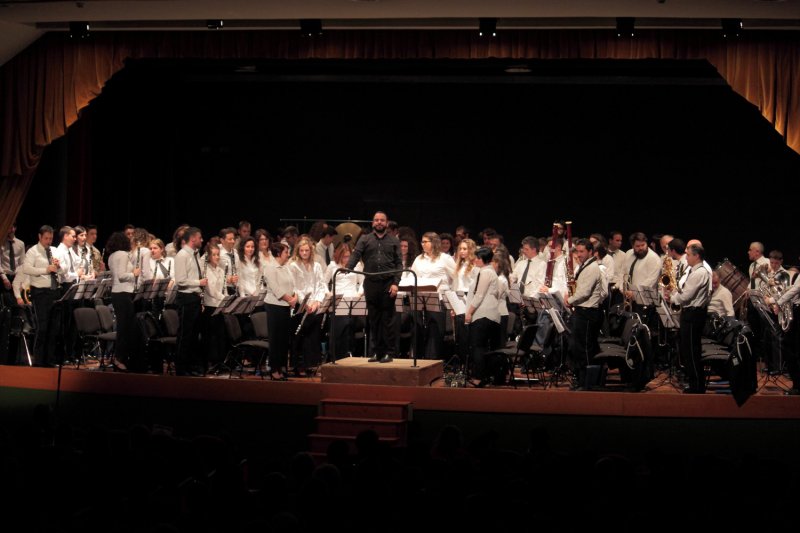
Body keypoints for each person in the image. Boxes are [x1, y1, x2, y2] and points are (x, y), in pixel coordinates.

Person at [346, 211, 402, 363]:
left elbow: (399, 264)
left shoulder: (393, 241)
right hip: (371, 283)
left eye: (382, 220)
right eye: (376, 220)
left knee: (387, 320)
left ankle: (388, 353)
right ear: (372, 223)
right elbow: (356, 255)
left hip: (388, 283)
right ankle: (377, 352)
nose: (379, 222)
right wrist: (347, 268)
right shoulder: (365, 239)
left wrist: (396, 283)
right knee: (374, 320)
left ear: (386, 223)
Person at [665, 244, 711, 394]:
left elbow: (686, 296)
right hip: (690, 313)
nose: (687, 257)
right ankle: (695, 384)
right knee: (688, 350)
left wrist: (672, 298)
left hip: (693, 314)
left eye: (689, 254)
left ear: (696, 256)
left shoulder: (700, 273)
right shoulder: (693, 271)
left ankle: (697, 386)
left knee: (691, 351)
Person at [564, 239, 604, 389]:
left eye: (582, 252)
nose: (579, 254)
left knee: (585, 349)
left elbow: (585, 291)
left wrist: (570, 300)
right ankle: (583, 380)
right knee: (579, 347)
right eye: (577, 251)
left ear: (590, 252)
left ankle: (587, 383)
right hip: (582, 311)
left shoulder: (592, 268)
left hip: (588, 313)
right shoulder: (585, 266)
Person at [21, 226, 60, 366]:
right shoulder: (33, 251)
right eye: (46, 238)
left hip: (54, 292)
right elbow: (26, 268)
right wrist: (45, 269)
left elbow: (63, 269)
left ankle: (49, 360)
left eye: (50, 238)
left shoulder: (54, 250)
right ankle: (38, 362)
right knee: (42, 328)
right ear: (39, 237)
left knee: (52, 328)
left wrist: (59, 266)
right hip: (40, 293)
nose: (48, 241)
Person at [174, 227, 207, 376]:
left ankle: (191, 366)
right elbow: (180, 281)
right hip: (186, 298)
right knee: (185, 335)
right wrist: (198, 283)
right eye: (200, 238)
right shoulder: (182, 255)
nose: (202, 240)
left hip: (194, 298)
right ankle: (181, 368)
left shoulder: (195, 254)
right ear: (193, 239)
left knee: (194, 335)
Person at [465, 246, 501, 387]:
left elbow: (479, 295)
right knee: (480, 347)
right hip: (486, 315)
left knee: (478, 347)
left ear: (484, 259)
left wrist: (469, 312)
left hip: (483, 315)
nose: (475, 260)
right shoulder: (485, 271)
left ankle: (479, 377)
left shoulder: (486, 272)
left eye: (477, 258)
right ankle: (484, 376)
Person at [106, 231, 141, 372]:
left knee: (124, 327)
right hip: (123, 293)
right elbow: (121, 276)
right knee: (125, 328)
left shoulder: (112, 256)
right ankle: (120, 358)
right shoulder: (122, 255)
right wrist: (134, 274)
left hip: (117, 294)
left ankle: (121, 358)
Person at [264, 242, 296, 380]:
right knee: (275, 339)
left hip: (285, 307)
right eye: (286, 252)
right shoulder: (270, 268)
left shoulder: (286, 267)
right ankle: (274, 368)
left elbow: (292, 285)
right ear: (278, 253)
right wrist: (290, 299)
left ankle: (282, 366)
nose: (288, 254)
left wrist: (295, 297)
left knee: (284, 339)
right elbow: (276, 289)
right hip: (274, 306)